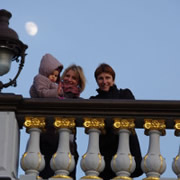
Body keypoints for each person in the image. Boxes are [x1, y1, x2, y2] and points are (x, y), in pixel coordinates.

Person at [29, 58, 86, 180]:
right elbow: (37, 93)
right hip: (45, 143)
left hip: (67, 147)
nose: (69, 79)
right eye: (67, 76)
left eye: (74, 78)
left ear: (78, 82)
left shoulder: (78, 101)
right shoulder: (51, 89)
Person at [90, 63, 143, 180]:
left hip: (126, 146)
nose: (104, 81)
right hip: (105, 149)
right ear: (97, 81)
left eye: (107, 77)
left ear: (113, 79)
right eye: (100, 78)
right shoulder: (94, 101)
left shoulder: (125, 94)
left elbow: (133, 114)